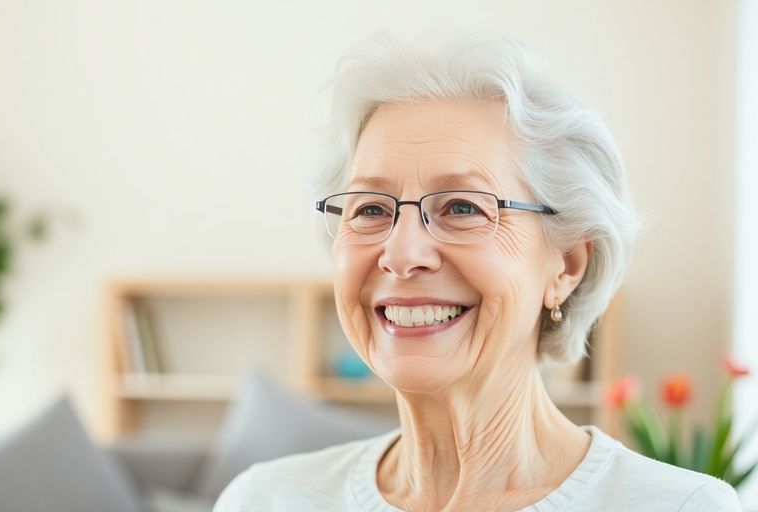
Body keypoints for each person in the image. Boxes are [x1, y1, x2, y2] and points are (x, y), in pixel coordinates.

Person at [213, 32, 742, 511]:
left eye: (462, 207)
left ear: (567, 266)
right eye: (370, 209)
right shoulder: (264, 500)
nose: (401, 254)